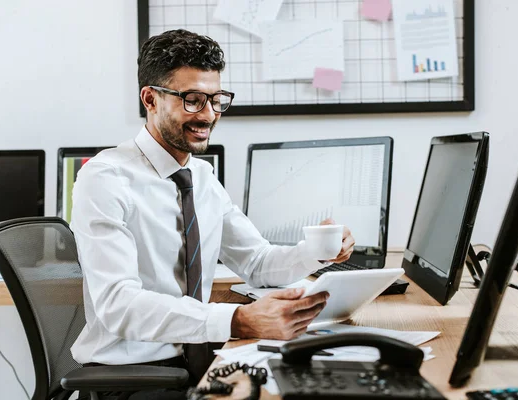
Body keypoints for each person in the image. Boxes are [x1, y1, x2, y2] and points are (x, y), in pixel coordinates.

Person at [70, 28, 355, 397]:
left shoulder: (200, 176)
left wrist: (318, 251)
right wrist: (238, 319)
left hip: (201, 358)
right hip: (132, 376)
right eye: (192, 99)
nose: (207, 115)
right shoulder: (105, 177)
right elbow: (118, 304)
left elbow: (256, 260)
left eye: (216, 99)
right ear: (150, 99)